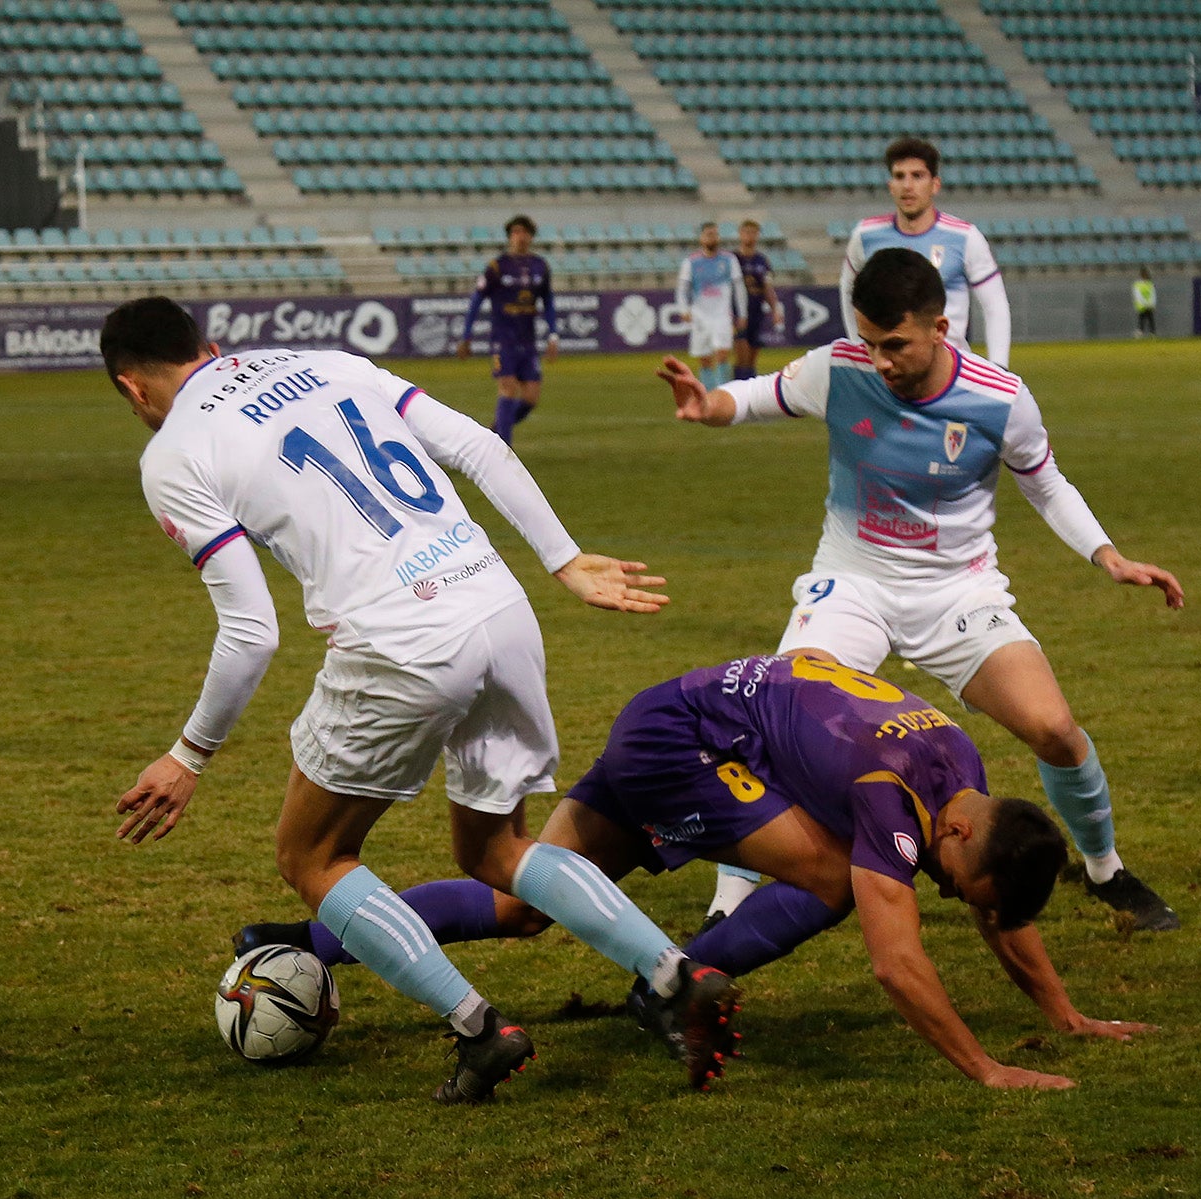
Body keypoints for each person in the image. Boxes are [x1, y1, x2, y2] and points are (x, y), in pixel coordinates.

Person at [100, 296, 739, 1103]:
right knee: (495, 853)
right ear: (212, 346)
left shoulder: (173, 453)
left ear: (132, 389)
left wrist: (189, 755)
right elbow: (477, 443)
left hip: (399, 639)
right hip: (498, 606)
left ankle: (479, 1029)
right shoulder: (325, 362)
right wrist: (565, 560)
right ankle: (675, 974)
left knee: (313, 855)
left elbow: (251, 629)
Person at [237, 655, 1157, 1089]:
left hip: (676, 714)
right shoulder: (894, 793)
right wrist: (984, 1067)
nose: (950, 893)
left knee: (522, 899)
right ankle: (668, 986)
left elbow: (1004, 898)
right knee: (841, 883)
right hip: (688, 747)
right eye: (957, 882)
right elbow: (895, 959)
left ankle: (308, 940)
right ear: (959, 830)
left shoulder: (964, 780)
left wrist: (1063, 1012)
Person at [664, 247, 1185, 933]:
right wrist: (712, 405)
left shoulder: (1000, 399)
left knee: (1055, 729)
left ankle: (1104, 868)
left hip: (957, 594)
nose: (880, 360)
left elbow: (1047, 485)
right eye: (870, 341)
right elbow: (762, 395)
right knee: (773, 721)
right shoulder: (839, 367)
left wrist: (1107, 555)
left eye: (896, 345)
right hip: (852, 582)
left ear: (940, 327)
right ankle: (727, 902)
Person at [838, 136, 1011, 370]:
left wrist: (999, 366)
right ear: (891, 185)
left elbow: (995, 306)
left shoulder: (965, 237)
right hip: (889, 375)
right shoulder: (866, 236)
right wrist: (859, 348)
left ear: (935, 184)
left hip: (949, 372)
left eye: (917, 176)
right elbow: (849, 291)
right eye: (900, 176)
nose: (907, 185)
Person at [456, 213, 558, 446]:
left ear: (531, 237)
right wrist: (466, 335)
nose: (519, 237)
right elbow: (476, 300)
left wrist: (553, 334)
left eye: (524, 232)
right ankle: (504, 449)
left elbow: (548, 302)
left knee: (531, 398)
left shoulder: (540, 266)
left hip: (528, 340)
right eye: (515, 232)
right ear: (509, 237)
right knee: (508, 388)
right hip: (503, 340)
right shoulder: (497, 267)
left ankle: (496, 431)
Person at [675, 220, 747, 390]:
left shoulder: (729, 260)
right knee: (705, 358)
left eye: (715, 234)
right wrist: (683, 309)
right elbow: (682, 288)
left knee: (722, 354)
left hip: (722, 315)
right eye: (708, 234)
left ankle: (724, 394)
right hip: (700, 317)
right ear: (701, 238)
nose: (712, 238)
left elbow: (739, 288)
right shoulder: (691, 262)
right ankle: (708, 395)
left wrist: (742, 314)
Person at [733, 219, 784, 380]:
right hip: (738, 312)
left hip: (756, 311)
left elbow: (767, 287)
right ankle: (738, 390)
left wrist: (775, 309)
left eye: (753, 233)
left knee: (752, 357)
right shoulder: (733, 259)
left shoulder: (762, 260)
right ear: (740, 234)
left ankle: (747, 391)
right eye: (747, 232)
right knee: (742, 355)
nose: (750, 236)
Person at [1133, 267, 1157, 337]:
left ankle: (1152, 332)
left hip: (1149, 304)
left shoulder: (1150, 283)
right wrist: (1142, 302)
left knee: (1150, 318)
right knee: (1142, 319)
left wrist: (1152, 303)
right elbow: (1137, 294)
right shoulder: (1138, 284)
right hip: (1142, 305)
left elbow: (1153, 294)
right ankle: (1140, 332)